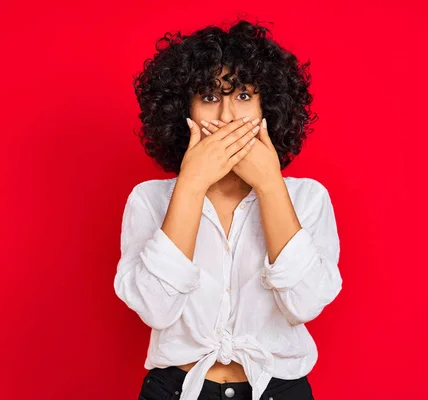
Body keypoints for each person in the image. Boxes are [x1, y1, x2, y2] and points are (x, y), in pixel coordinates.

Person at [114, 18, 343, 400]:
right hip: (176, 390)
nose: (225, 118)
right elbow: (156, 309)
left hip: (278, 390)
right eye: (208, 98)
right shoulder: (149, 200)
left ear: (266, 106)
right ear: (182, 109)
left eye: (241, 97)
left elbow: (303, 304)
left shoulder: (308, 198)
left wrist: (269, 184)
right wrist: (190, 183)